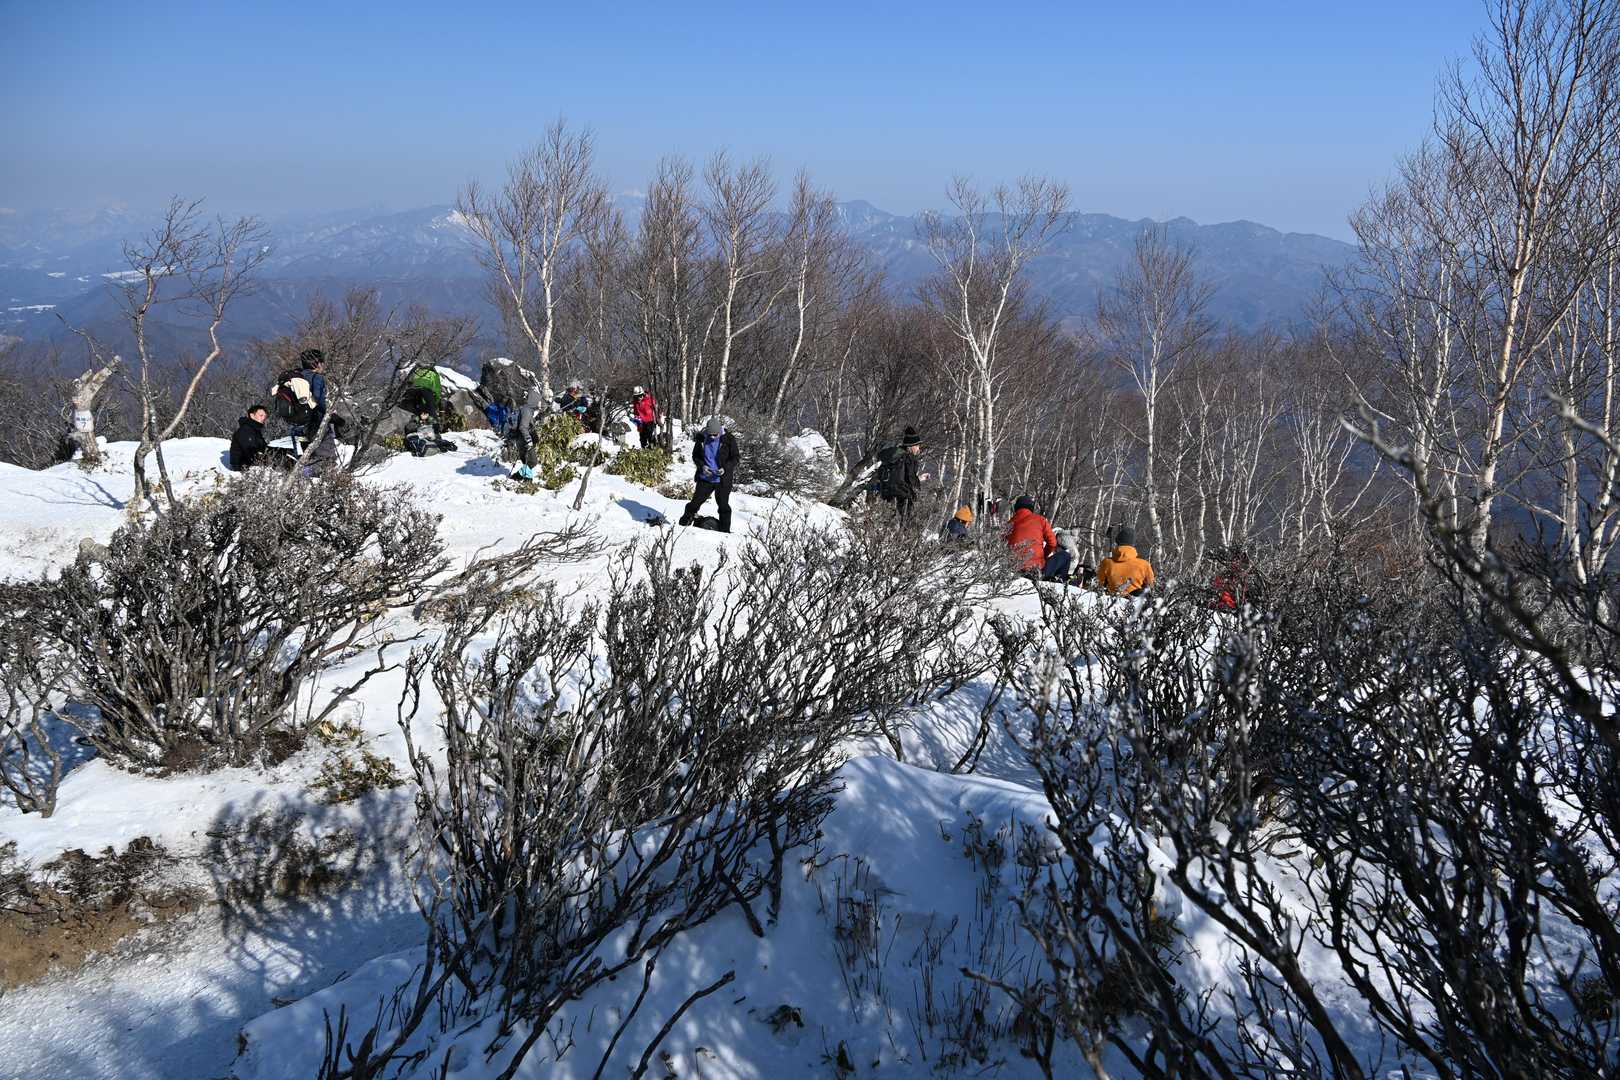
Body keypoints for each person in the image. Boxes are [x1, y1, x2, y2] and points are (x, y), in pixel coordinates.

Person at [679, 417, 740, 533]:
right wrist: (702, 466)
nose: (712, 437)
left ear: (719, 431)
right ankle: (682, 525)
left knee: (723, 506)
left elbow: (735, 457)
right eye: (710, 434)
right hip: (705, 478)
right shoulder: (701, 439)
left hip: (722, 479)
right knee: (695, 503)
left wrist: (725, 468)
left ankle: (725, 532)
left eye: (715, 435)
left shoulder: (729, 439)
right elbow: (696, 456)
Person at [879, 427, 925, 525]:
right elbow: (909, 479)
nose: (918, 448)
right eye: (917, 445)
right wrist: (914, 492)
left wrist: (919, 479)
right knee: (904, 525)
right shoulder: (906, 458)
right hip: (901, 497)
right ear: (910, 446)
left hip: (887, 494)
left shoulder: (895, 455)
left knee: (887, 524)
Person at [1005, 495, 1061, 576]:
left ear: (1016, 507)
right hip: (1036, 569)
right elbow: (1052, 543)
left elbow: (1002, 545)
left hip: (1013, 568)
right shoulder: (1040, 520)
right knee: (1065, 556)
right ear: (1031, 508)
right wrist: (1043, 556)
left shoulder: (1009, 524)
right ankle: (1058, 581)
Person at [1096, 527, 1156, 596]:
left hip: (1111, 600)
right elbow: (1152, 587)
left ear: (1117, 542)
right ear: (1133, 544)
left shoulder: (1106, 562)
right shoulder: (1144, 565)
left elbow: (1098, 584)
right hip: (1135, 601)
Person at [229, 404, 270, 471]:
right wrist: (268, 459)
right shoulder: (245, 430)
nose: (263, 418)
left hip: (252, 463)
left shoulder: (255, 430)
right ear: (252, 415)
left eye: (265, 416)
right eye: (261, 415)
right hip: (243, 466)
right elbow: (250, 451)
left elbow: (263, 448)